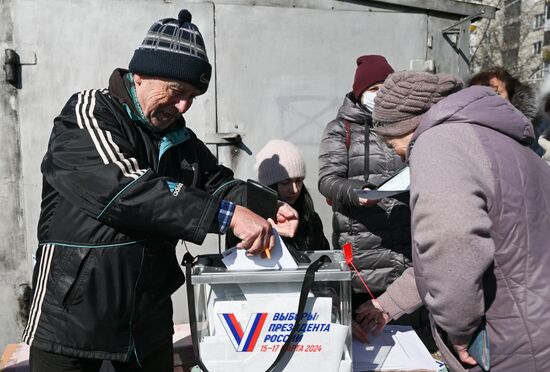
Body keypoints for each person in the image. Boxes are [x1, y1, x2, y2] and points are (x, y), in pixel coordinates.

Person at [23, 10, 298, 372]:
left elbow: (217, 182)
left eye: (192, 97)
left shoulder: (180, 139)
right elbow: (125, 189)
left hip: (146, 318)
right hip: (74, 317)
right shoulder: (88, 112)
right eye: (176, 91)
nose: (182, 106)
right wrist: (229, 216)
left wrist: (266, 205)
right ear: (139, 76)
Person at [356, 70, 550, 371]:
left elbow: (453, 245)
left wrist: (461, 329)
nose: (398, 155)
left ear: (403, 127)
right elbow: (454, 255)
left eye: (391, 143)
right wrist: (387, 304)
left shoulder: (437, 144)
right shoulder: (498, 140)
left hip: (509, 339)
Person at [317, 55, 413, 335]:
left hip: (406, 251)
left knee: (410, 340)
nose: (380, 94)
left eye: (386, 86)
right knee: (368, 340)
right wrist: (355, 192)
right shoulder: (340, 129)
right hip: (363, 253)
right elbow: (327, 179)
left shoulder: (406, 127)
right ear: (359, 94)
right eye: (373, 89)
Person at [255, 139, 330, 252]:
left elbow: (323, 257)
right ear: (271, 186)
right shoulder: (252, 221)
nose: (294, 189)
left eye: (299, 181)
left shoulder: (311, 219)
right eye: (286, 182)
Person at [468, 66, 548, 156]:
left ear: (511, 96)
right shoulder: (466, 130)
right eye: (478, 94)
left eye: (495, 92)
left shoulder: (537, 131)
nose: (486, 98)